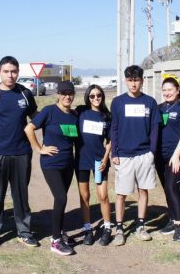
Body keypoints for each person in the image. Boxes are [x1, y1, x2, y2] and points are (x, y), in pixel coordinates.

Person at [0, 56, 38, 249]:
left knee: (21, 196)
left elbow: (36, 118)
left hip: (21, 153)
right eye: (6, 71)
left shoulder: (25, 94)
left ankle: (24, 232)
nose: (10, 75)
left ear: (18, 72)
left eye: (13, 71)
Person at [25, 81, 79, 256]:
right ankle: (55, 241)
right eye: (64, 93)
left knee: (61, 200)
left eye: (70, 93)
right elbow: (29, 129)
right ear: (58, 94)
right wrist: (39, 148)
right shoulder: (49, 111)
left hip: (68, 163)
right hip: (51, 163)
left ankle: (60, 231)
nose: (67, 97)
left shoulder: (74, 115)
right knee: (61, 197)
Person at [109, 65, 160, 246]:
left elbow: (154, 128)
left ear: (142, 81)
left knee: (143, 190)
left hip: (144, 154)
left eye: (136, 80)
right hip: (124, 155)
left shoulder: (150, 102)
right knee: (121, 193)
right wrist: (114, 152)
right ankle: (119, 229)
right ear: (126, 81)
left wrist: (152, 152)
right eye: (130, 80)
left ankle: (140, 225)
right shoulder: (118, 102)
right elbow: (114, 128)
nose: (133, 84)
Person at [155, 75, 180, 241]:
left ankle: (179, 225)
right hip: (160, 156)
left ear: (178, 90)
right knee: (167, 188)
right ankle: (172, 219)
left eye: (170, 89)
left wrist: (176, 155)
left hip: (178, 156)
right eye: (164, 90)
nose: (167, 93)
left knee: (172, 187)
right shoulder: (159, 108)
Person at [75, 85, 113, 246]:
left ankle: (107, 228)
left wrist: (105, 158)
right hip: (82, 161)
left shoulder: (107, 116)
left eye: (99, 95)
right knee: (84, 197)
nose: (96, 98)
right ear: (87, 98)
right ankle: (87, 229)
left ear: (102, 96)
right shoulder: (80, 111)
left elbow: (110, 140)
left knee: (103, 196)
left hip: (99, 161)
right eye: (92, 96)